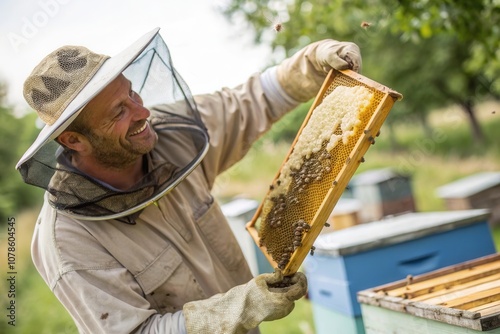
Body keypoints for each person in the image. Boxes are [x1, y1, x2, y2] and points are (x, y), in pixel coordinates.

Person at [16, 27, 362, 333]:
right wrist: (238, 309)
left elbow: (250, 103)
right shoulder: (68, 241)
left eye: (131, 94)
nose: (142, 113)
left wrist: (312, 62)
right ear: (73, 140)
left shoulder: (169, 134)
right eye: (118, 112)